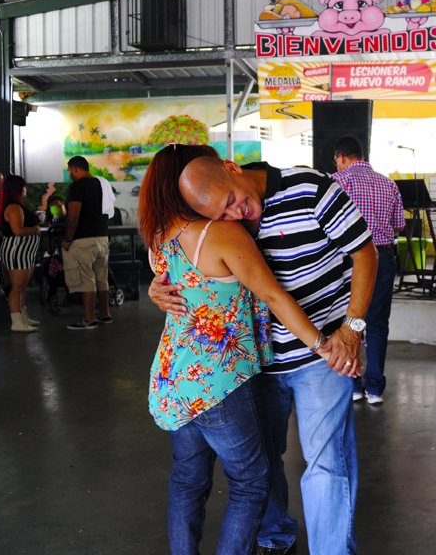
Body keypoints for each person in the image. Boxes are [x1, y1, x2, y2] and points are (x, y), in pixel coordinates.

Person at [150, 155, 377, 555]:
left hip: (321, 357)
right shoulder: (216, 225)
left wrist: (350, 330)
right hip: (258, 365)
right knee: (265, 463)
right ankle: (274, 537)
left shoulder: (310, 188)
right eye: (222, 214)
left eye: (232, 200)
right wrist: (158, 288)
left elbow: (365, 253)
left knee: (326, 462)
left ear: (232, 167)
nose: (236, 214)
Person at [332, 135, 405, 405]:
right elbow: (399, 224)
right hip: (382, 257)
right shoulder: (388, 183)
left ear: (341, 157)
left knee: (349, 321)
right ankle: (374, 388)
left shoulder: (336, 182)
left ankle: (351, 384)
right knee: (377, 322)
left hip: (348, 258)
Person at [62, 156, 111, 330]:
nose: (69, 174)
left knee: (86, 278)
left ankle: (89, 319)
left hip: (83, 239)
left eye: (69, 171)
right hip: (102, 237)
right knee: (102, 278)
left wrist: (68, 239)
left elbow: (73, 215)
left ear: (75, 169)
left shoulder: (77, 186)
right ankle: (105, 315)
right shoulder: (102, 184)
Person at [0, 175, 42, 333]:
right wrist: (35, 229)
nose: (25, 189)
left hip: (24, 251)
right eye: (23, 186)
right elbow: (18, 230)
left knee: (21, 287)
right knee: (17, 287)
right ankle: (16, 321)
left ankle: (23, 316)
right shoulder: (13, 207)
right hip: (17, 250)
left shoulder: (17, 206)